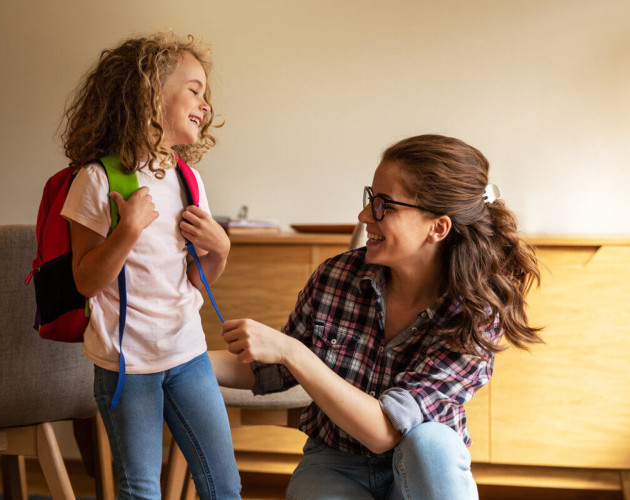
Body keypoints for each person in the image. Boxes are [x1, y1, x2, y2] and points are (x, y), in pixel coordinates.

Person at [211, 134, 542, 499]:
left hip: (422, 464)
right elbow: (273, 370)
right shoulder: (336, 276)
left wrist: (292, 350)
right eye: (371, 198)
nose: (365, 215)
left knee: (430, 441)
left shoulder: (475, 313)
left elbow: (385, 432)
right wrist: (170, 357)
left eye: (385, 205)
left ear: (438, 228)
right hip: (334, 458)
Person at [60, 32, 240, 500]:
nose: (205, 104)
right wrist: (127, 230)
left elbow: (193, 281)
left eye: (206, 94)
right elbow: (85, 280)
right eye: (194, 89)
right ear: (148, 94)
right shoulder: (96, 179)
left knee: (223, 484)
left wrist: (219, 250)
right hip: (127, 365)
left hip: (188, 353)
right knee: (141, 490)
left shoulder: (188, 178)